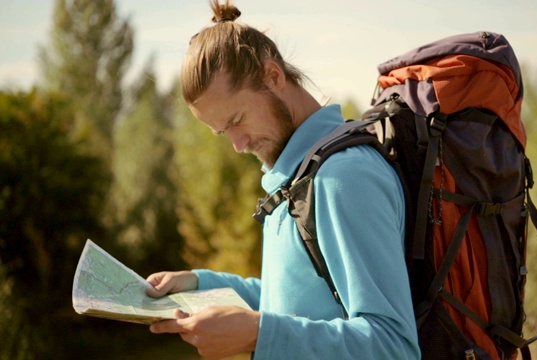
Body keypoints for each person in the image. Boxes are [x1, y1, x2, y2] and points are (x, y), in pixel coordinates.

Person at [145, 1, 420, 359]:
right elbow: (301, 300)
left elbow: (392, 345)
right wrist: (199, 285)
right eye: (222, 133)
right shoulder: (295, 178)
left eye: (237, 119)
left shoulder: (343, 177)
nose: (238, 145)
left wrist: (258, 336)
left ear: (274, 76)